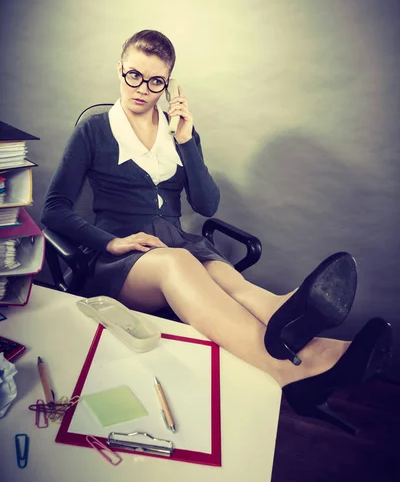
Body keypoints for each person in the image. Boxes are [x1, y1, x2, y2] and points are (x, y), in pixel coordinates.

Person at [41, 30, 392, 432]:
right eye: (133, 75)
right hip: (122, 259)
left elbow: (206, 204)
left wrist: (187, 142)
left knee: (229, 279)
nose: (141, 89)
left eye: (156, 81)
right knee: (177, 263)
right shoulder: (94, 130)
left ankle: (326, 347)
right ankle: (283, 373)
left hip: (179, 244)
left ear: (168, 84)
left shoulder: (178, 132)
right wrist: (113, 241)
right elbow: (54, 209)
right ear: (119, 69)